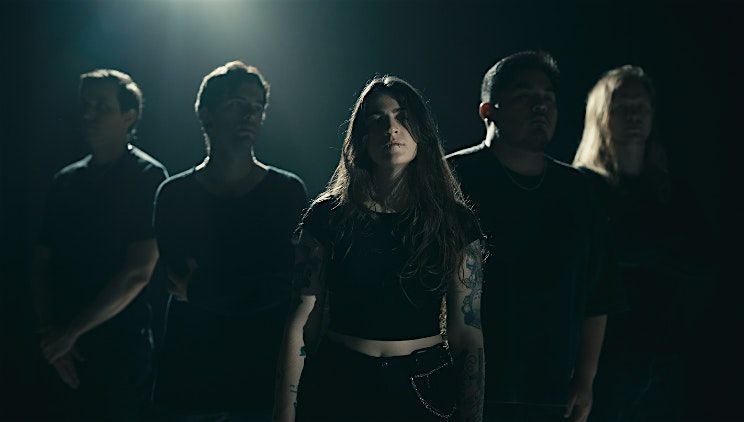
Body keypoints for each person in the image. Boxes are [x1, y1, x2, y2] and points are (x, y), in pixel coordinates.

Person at [273, 76, 486, 422]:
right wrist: (284, 413)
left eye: (403, 117)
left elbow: (467, 334)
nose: (391, 128)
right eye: (377, 119)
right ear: (361, 136)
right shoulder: (327, 216)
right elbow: (301, 323)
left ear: (422, 131)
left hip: (424, 389)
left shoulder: (455, 222)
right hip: (340, 381)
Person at [446, 51, 625, 422]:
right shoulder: (453, 179)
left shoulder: (578, 191)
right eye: (524, 95)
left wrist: (585, 379)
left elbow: (598, 294)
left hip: (550, 392)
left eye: (548, 97)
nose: (540, 106)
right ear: (488, 111)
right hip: (465, 388)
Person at [152, 61, 307, 420]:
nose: (250, 115)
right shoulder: (174, 194)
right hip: (190, 375)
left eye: (257, 107)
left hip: (262, 375)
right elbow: (177, 281)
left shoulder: (287, 192)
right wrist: (251, 285)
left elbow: (287, 284)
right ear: (206, 115)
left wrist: (204, 289)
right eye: (237, 103)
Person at [30, 69, 168, 420]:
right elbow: (41, 265)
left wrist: (67, 335)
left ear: (129, 116)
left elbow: (138, 272)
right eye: (86, 105)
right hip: (60, 348)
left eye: (102, 107)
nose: (89, 115)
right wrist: (53, 337)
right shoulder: (65, 181)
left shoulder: (147, 177)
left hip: (120, 349)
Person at [573, 65, 706, 421]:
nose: (634, 116)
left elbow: (699, 261)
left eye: (641, 106)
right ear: (602, 116)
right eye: (622, 107)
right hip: (606, 359)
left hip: (665, 356)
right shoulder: (583, 188)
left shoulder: (671, 192)